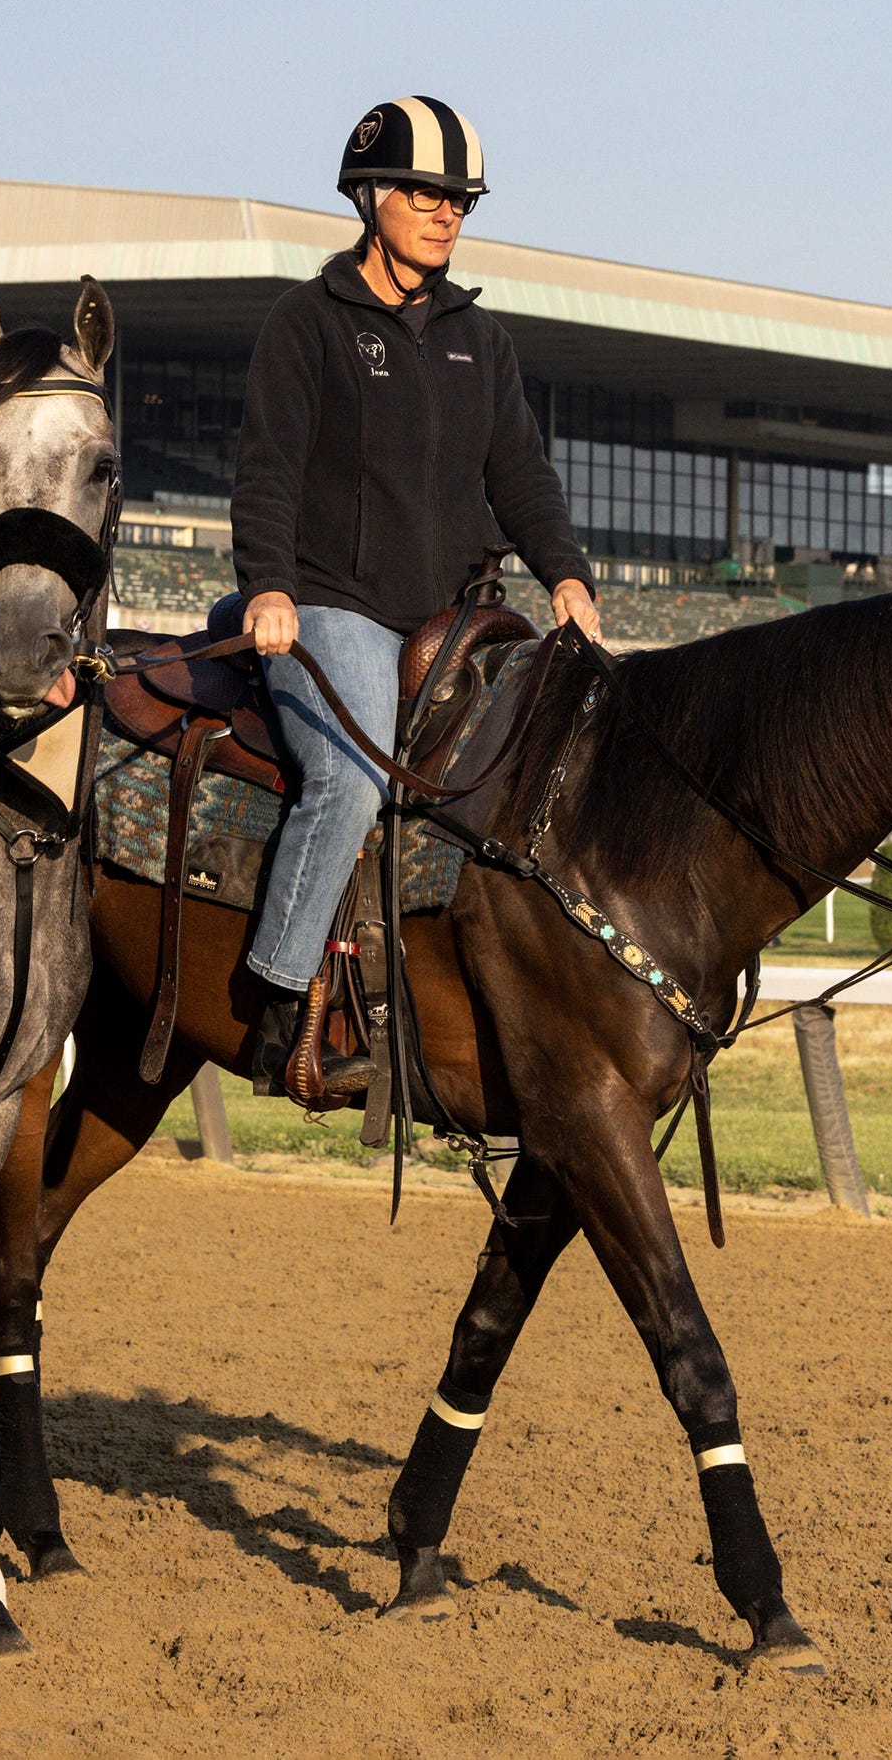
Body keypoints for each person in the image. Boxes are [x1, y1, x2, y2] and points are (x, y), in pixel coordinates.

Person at [229, 96, 604, 1097]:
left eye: (460, 201)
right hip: (333, 606)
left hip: (456, 616)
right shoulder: (305, 324)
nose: (447, 214)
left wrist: (567, 573)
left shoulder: (481, 341)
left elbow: (522, 475)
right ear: (371, 196)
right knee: (351, 780)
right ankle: (275, 996)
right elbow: (266, 469)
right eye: (427, 194)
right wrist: (268, 587)